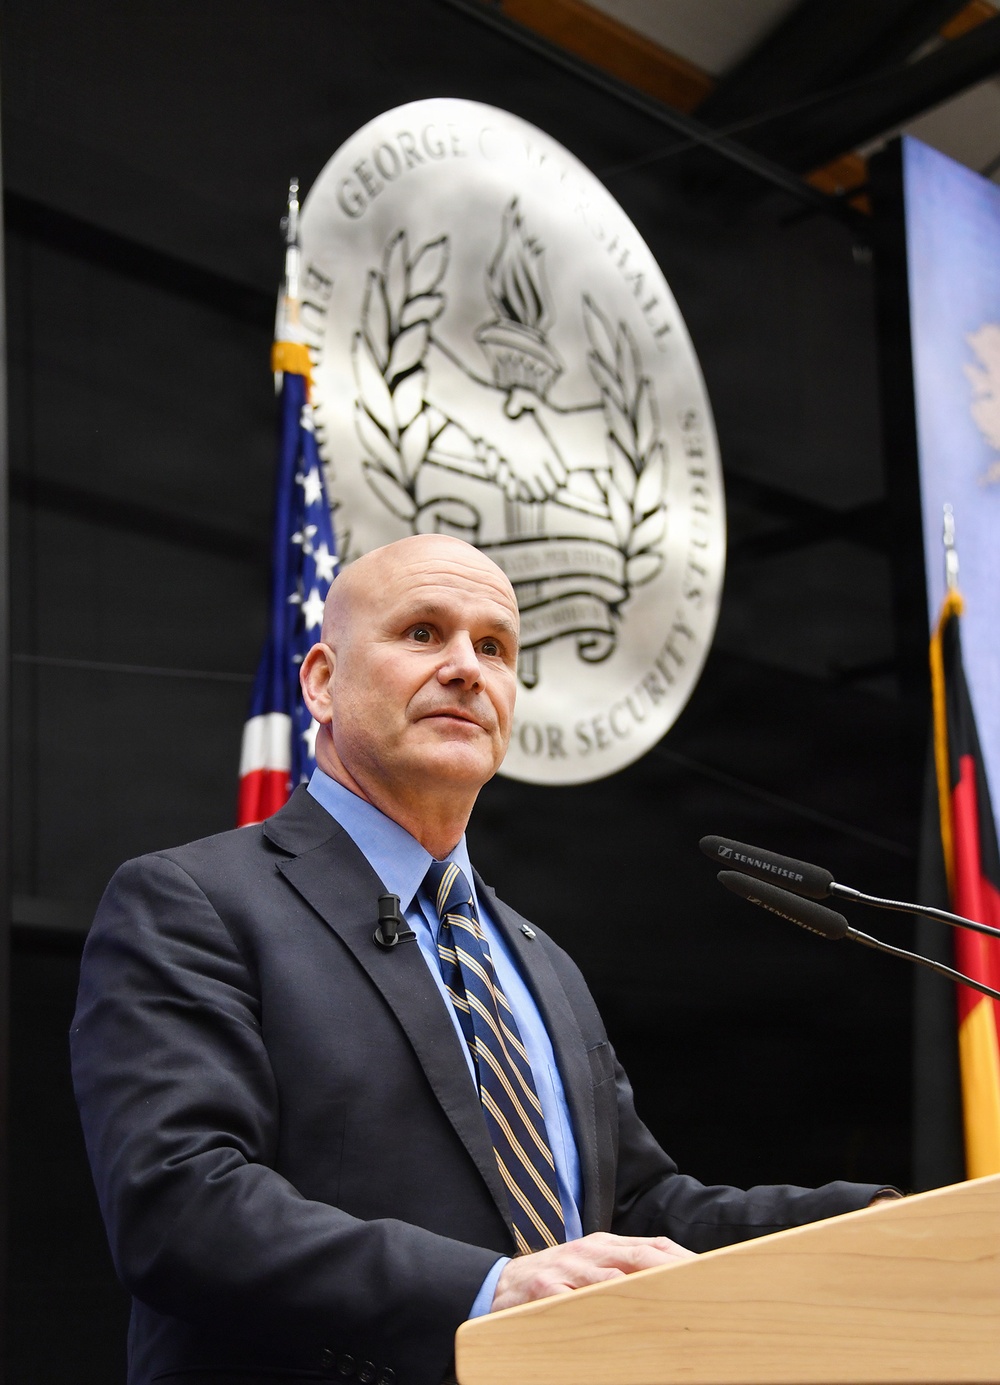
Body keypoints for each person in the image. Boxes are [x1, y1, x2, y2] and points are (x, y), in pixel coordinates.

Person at [72, 534, 896, 1385]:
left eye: (494, 646)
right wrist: (486, 1287)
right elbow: (179, 1204)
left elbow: (634, 1211)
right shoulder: (193, 901)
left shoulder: (539, 960)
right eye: (423, 633)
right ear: (321, 680)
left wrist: (875, 1221)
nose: (466, 667)